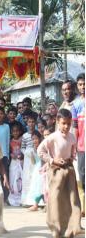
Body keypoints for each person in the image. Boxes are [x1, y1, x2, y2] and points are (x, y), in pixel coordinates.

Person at [37, 109, 83, 238]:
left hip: (68, 170)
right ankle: (55, 228)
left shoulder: (72, 136)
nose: (66, 126)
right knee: (55, 199)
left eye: (69, 123)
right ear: (57, 122)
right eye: (63, 123)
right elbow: (40, 150)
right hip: (56, 171)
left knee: (72, 199)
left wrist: (71, 158)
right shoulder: (52, 137)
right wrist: (52, 160)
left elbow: (73, 149)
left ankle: (72, 227)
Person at [72, 73, 85, 216]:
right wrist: (74, 145)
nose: (83, 87)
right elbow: (75, 126)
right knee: (82, 176)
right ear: (77, 86)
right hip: (82, 146)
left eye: (84, 84)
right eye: (80, 84)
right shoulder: (75, 104)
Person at [21, 111, 37, 206]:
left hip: (36, 156)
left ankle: (35, 200)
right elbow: (22, 147)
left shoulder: (37, 134)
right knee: (27, 177)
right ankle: (26, 200)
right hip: (27, 158)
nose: (31, 124)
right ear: (27, 123)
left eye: (32, 122)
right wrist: (27, 153)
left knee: (35, 177)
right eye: (29, 122)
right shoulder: (24, 136)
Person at [0, 107, 10, 202]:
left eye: (1, 113)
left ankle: (6, 197)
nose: (0, 115)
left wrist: (7, 155)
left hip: (4, 155)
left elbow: (7, 141)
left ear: (4, 115)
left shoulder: (7, 126)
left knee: (5, 176)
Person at [27, 131, 45, 211]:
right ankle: (36, 204)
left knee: (43, 187)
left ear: (40, 138)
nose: (34, 141)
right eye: (33, 139)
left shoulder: (43, 147)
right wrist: (31, 156)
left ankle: (44, 204)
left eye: (36, 139)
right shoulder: (33, 149)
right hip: (36, 170)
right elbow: (34, 162)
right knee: (37, 187)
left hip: (43, 168)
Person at [8, 122, 23, 206]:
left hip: (20, 161)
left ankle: (20, 197)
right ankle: (13, 197)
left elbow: (23, 150)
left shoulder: (21, 140)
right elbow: (10, 151)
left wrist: (21, 156)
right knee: (13, 177)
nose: (15, 133)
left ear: (20, 131)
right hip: (13, 162)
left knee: (19, 178)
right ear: (11, 132)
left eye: (17, 131)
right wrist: (11, 155)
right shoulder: (10, 141)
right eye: (13, 131)